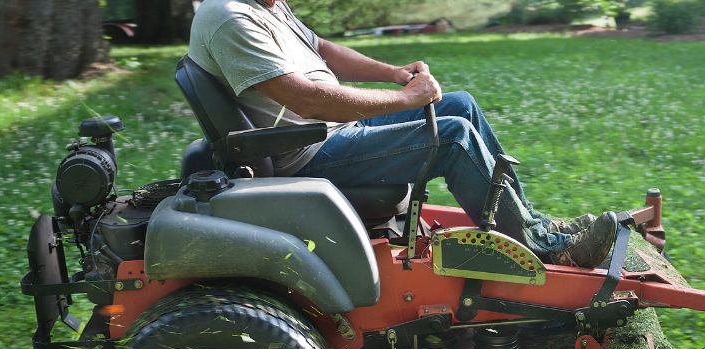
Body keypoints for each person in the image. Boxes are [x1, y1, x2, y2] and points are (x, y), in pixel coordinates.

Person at [187, 0, 617, 268]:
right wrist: (408, 99)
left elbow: (322, 51)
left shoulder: (267, 6)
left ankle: (532, 222)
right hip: (307, 153)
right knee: (453, 137)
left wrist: (394, 74)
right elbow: (308, 102)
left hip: (334, 129)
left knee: (459, 103)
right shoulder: (230, 17)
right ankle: (544, 248)